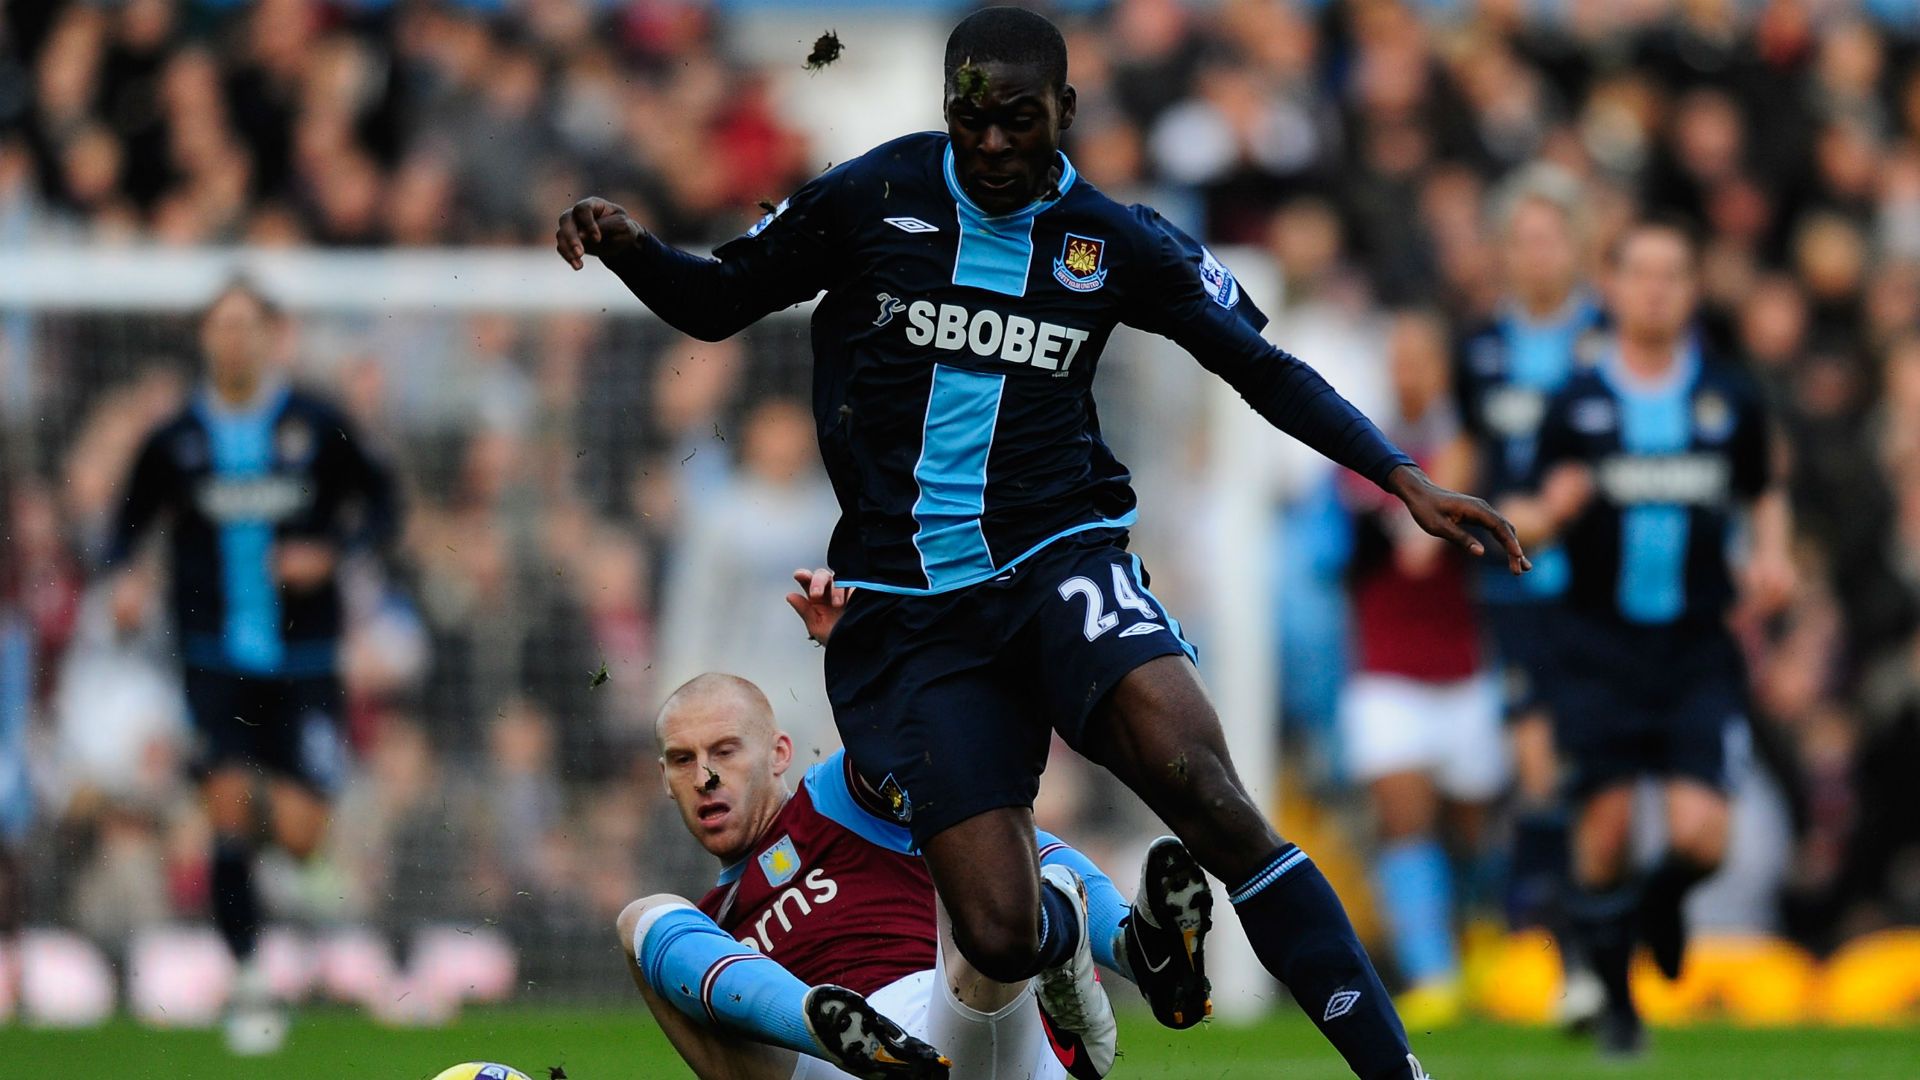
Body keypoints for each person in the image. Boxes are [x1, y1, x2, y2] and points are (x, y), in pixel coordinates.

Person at [558, 10, 1524, 1077]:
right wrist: (632, 248)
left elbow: (1260, 366)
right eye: (972, 121)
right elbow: (719, 300)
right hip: (912, 606)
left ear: (1065, 111)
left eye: (1019, 120)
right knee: (999, 936)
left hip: (1063, 558)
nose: (995, 144)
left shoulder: (1114, 238)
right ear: (946, 114)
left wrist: (1399, 475)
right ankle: (1077, 934)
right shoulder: (870, 196)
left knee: (1210, 796)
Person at [620, 659, 1213, 1080]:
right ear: (665, 781)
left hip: (967, 1015)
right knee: (641, 920)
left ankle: (1129, 948)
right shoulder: (701, 935)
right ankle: (828, 1024)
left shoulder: (832, 797)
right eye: (682, 760)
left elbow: (925, 740)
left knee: (971, 826)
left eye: (725, 750)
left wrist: (857, 645)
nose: (706, 777)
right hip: (848, 1065)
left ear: (778, 753)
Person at [1504, 218, 1794, 1056]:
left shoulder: (1728, 395)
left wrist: (1771, 556)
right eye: (1643, 274)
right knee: (1603, 832)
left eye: (1674, 275)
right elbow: (1529, 510)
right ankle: (1621, 1000)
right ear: (1614, 288)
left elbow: (1762, 487)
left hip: (1697, 645)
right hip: (1598, 644)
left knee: (1704, 836)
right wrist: (1544, 517)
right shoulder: (1577, 403)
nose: (1658, 290)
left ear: (1692, 289)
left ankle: (1661, 904)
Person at [103, 279, 399, 1054]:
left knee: (302, 837)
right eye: (221, 327)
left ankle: (258, 840)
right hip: (213, 659)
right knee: (226, 809)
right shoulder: (174, 439)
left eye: (247, 326)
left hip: (304, 661)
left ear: (272, 335)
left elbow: (383, 504)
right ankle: (249, 980)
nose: (234, 340)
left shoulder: (317, 422)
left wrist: (331, 553)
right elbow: (124, 526)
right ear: (206, 337)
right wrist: (127, 576)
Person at [1453, 166, 1607, 1026]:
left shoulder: (1608, 337)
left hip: (1599, 590)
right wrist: (1428, 508)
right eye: (1522, 238)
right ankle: (1567, 952)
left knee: (1580, 772)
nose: (1535, 253)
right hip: (1513, 590)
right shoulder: (1483, 346)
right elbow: (1475, 450)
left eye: (1550, 236)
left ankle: (1574, 944)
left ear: (1577, 245)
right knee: (1542, 770)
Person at [1338, 311, 1503, 1027]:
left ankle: (1484, 947)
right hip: (1385, 670)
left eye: (1423, 357)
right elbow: (1386, 548)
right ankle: (1432, 973)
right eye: (1399, 357)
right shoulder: (1357, 454)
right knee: (1405, 818)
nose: (1410, 371)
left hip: (1465, 668)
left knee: (1471, 828)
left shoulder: (1478, 451)